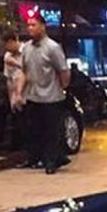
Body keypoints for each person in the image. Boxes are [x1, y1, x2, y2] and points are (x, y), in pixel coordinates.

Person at [21, 11, 71, 174]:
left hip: (51, 97)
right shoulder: (26, 48)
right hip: (33, 96)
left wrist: (63, 87)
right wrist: (20, 91)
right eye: (28, 25)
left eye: (33, 25)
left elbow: (63, 70)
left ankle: (51, 161)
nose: (30, 28)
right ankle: (39, 158)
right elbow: (24, 71)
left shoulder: (52, 47)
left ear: (43, 27)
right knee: (35, 129)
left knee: (52, 131)